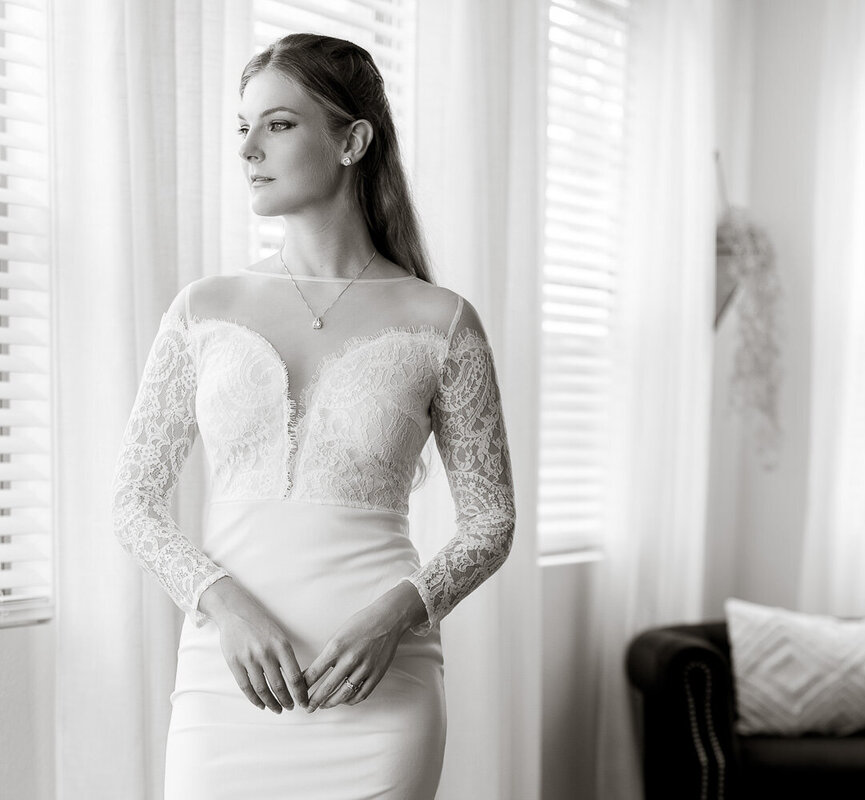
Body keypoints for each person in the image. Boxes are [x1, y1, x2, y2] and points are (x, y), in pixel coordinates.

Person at [111, 34, 515, 799]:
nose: (249, 148)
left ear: (352, 140)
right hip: (223, 687)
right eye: (242, 127)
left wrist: (398, 615)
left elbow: (491, 520)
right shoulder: (204, 307)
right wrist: (224, 605)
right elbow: (132, 501)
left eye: (280, 124)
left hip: (380, 692)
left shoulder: (441, 320)